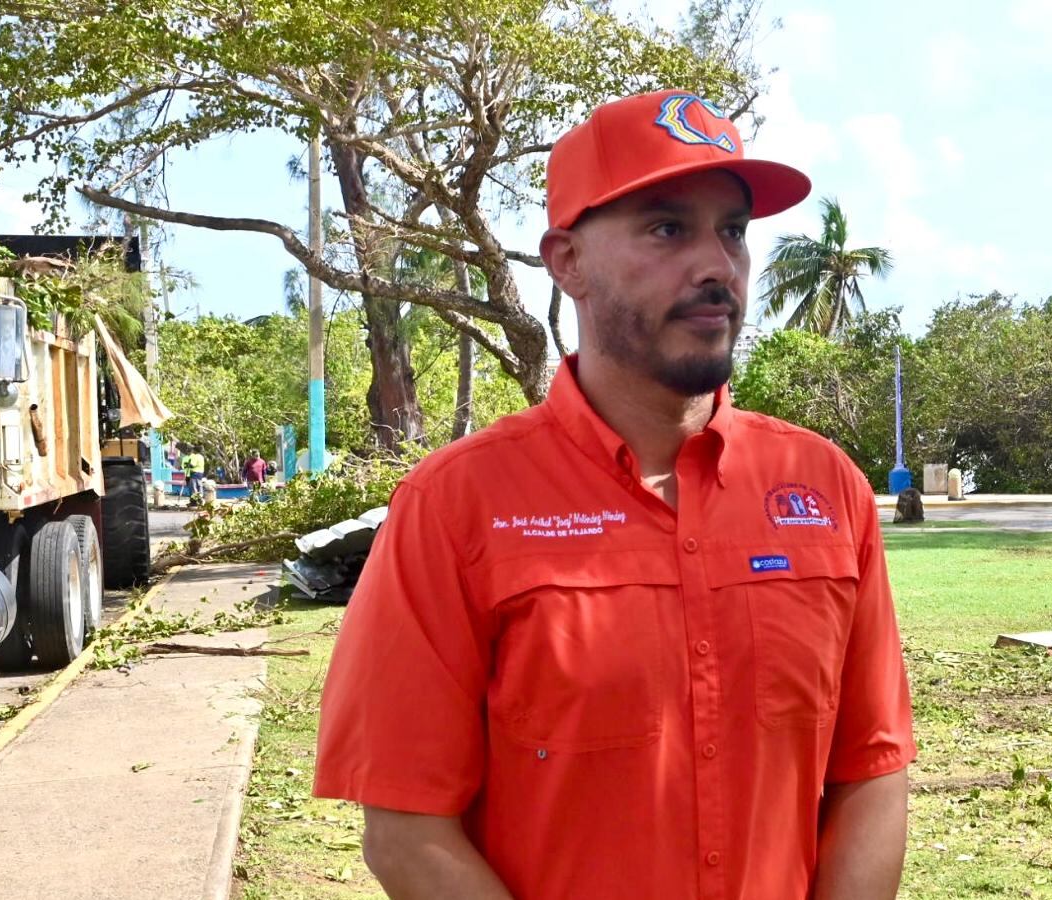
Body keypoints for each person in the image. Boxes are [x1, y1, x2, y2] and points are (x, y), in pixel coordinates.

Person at [313, 89, 915, 900]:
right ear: (566, 262)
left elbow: (870, 770)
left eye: (731, 232)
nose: (715, 267)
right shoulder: (455, 506)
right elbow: (408, 832)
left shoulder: (824, 489)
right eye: (667, 228)